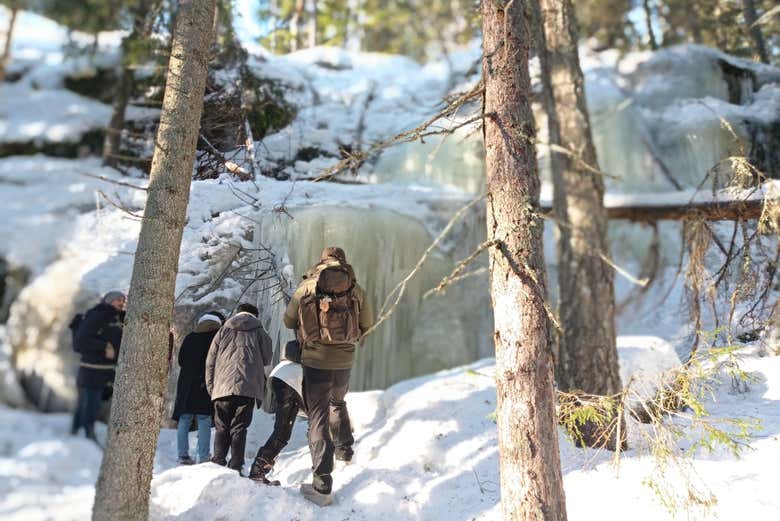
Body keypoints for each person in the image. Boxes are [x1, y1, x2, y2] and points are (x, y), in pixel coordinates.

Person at [283, 247, 374, 506]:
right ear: (343, 262)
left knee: (318, 417)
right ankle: (344, 451)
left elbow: (288, 321)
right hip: (344, 360)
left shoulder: (308, 286)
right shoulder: (355, 289)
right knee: (337, 402)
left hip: (315, 361)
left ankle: (322, 486)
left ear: (321, 261)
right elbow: (368, 324)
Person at [206, 303, 273, 474]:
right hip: (248, 388)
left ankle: (218, 462)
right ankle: (236, 465)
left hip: (222, 386)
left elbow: (210, 360)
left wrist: (211, 386)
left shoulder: (223, 331)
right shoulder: (260, 331)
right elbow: (267, 358)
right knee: (240, 427)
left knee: (221, 426)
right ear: (255, 316)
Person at [172, 310, 224, 465]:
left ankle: (182, 455)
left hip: (187, 385)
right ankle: (204, 456)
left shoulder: (190, 337)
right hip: (205, 384)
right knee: (204, 419)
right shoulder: (217, 339)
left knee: (184, 418)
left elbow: (181, 360)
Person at [73, 291, 125, 442]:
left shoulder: (117, 317)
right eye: (118, 300)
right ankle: (86, 434)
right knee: (90, 403)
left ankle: (77, 433)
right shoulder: (97, 315)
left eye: (123, 300)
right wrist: (104, 346)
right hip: (91, 369)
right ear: (109, 301)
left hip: (106, 370)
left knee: (89, 402)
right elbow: (80, 341)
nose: (121, 303)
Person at [248, 356, 304, 485]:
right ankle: (258, 470)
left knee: (282, 430)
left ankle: (259, 468)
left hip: (279, 374)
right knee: (282, 432)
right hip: (289, 381)